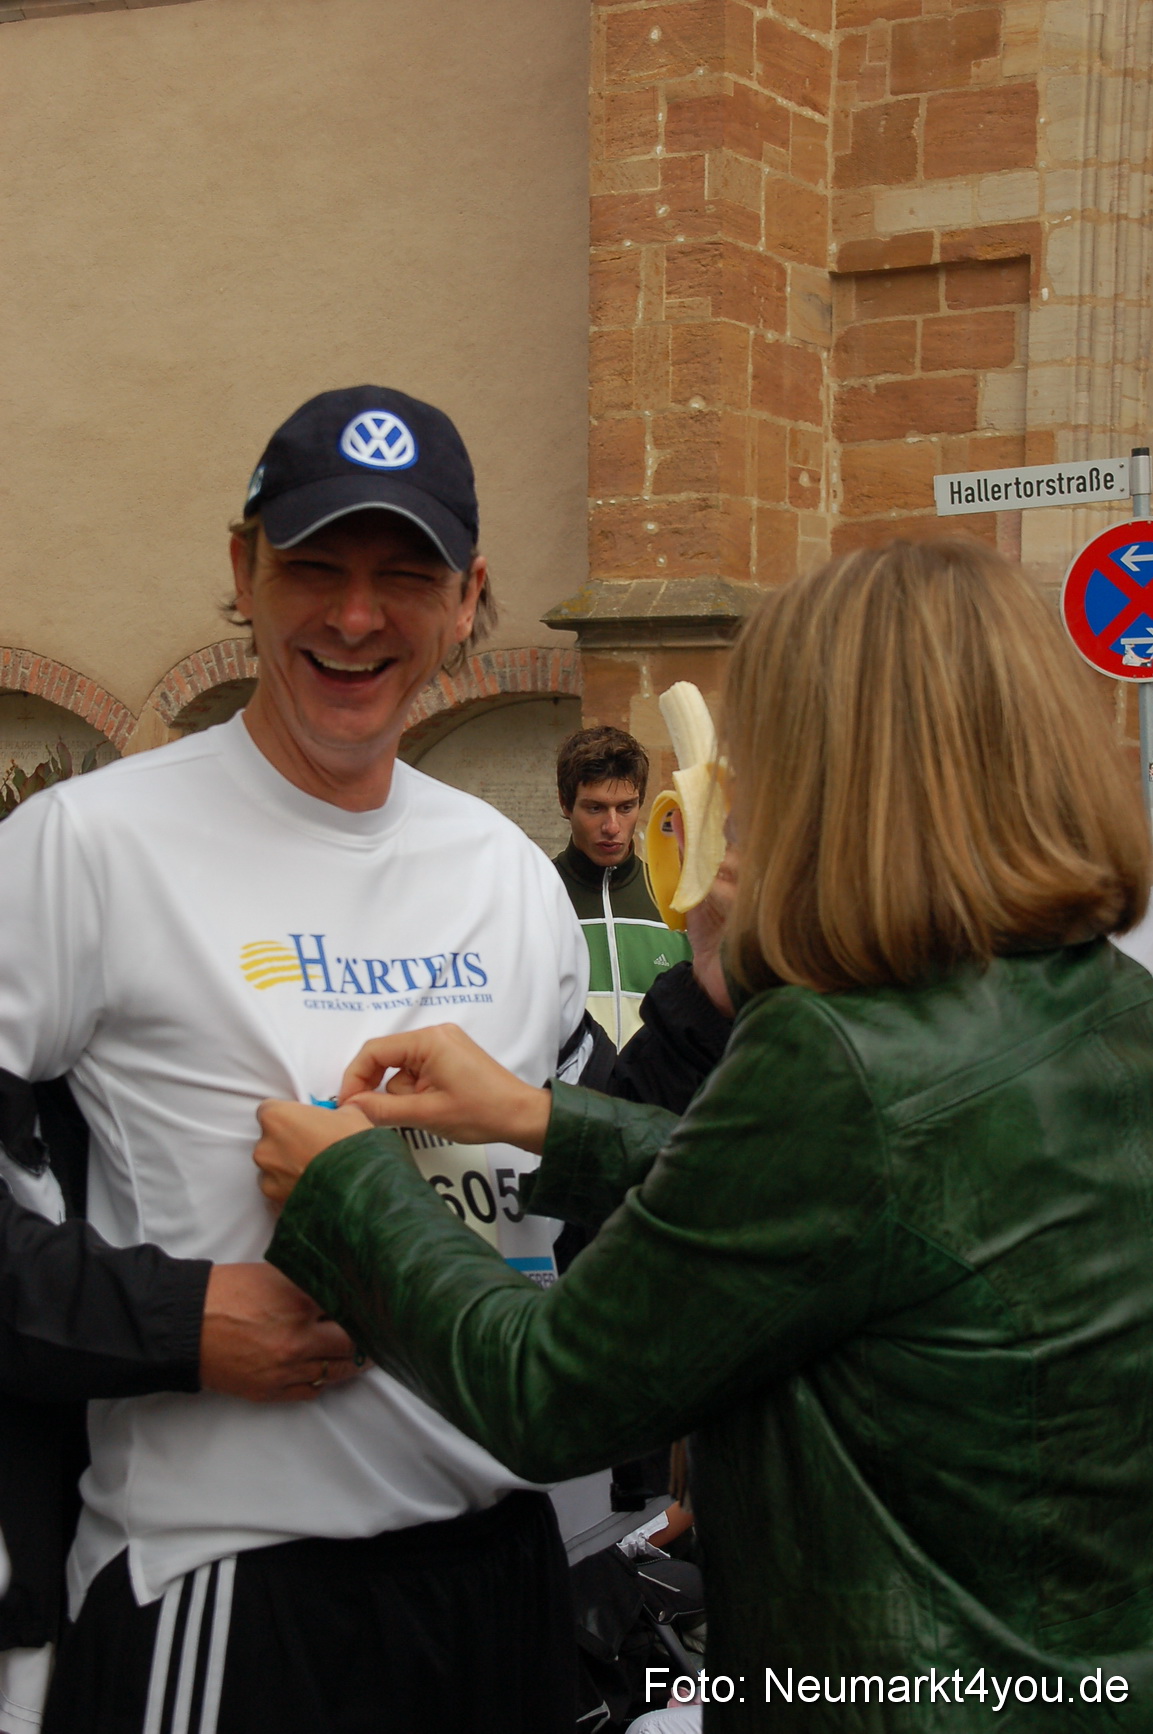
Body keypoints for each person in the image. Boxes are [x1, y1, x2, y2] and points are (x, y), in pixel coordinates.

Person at [256, 538, 1153, 1731]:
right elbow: (870, 1221)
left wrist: (350, 1190)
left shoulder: (835, 1056)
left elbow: (554, 1390)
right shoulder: (1100, 1002)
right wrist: (540, 1116)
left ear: (837, 773)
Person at [0, 384, 588, 1734]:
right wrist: (173, 1322)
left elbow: (599, 1197)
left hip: (500, 1576)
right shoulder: (88, 844)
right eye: (312, 565)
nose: (355, 615)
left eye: (405, 576)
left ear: (467, 596)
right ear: (241, 571)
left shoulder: (505, 869)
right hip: (234, 1586)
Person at [553, 727, 692, 1049]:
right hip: (567, 1096)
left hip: (654, 1097)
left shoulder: (675, 898)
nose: (612, 827)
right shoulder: (535, 895)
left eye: (626, 808)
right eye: (595, 808)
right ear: (565, 804)